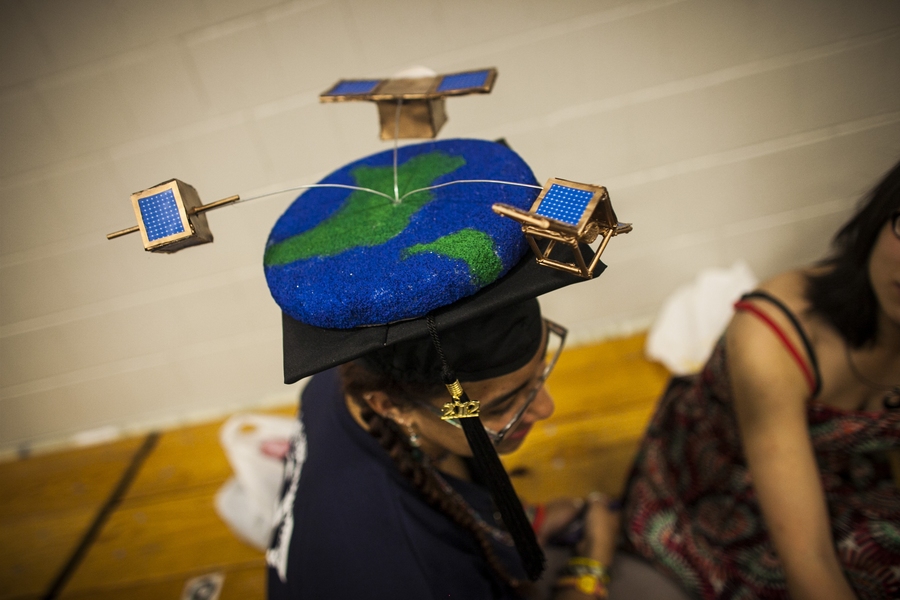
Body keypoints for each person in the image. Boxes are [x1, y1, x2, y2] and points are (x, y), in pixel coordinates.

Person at [261, 138, 628, 599]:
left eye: (536, 382)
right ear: (390, 406)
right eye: (505, 404)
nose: (548, 410)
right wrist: (594, 560)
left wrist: (522, 522)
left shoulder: (332, 385)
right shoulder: (415, 575)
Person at [619, 160, 900, 599]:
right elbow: (808, 560)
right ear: (878, 219)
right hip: (721, 498)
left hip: (846, 481)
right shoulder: (774, 334)